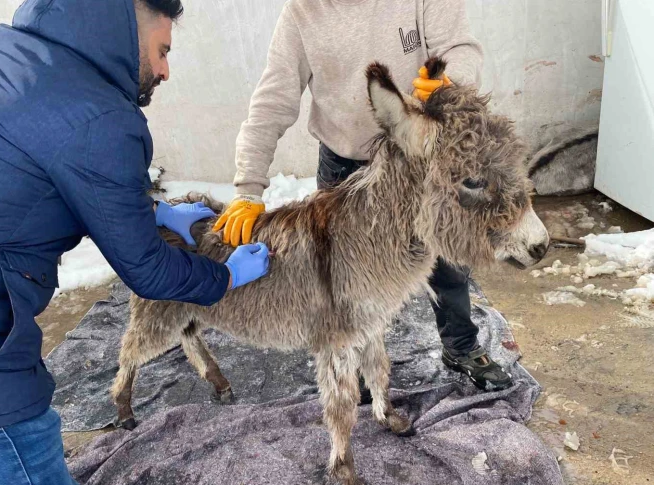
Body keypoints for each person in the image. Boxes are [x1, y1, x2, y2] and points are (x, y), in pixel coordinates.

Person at [0, 0, 270, 485]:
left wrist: (151, 212)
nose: (165, 71)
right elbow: (149, 270)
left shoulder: (1, 51)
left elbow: (29, 176)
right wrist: (225, 276)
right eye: (162, 50)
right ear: (122, 25)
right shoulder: (99, 114)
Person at [214, 0, 512, 393]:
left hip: (420, 165)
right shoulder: (302, 12)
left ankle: (461, 346)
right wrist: (247, 188)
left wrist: (450, 83)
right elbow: (273, 98)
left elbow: (460, 47)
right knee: (345, 277)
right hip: (345, 167)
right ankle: (355, 360)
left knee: (448, 265)